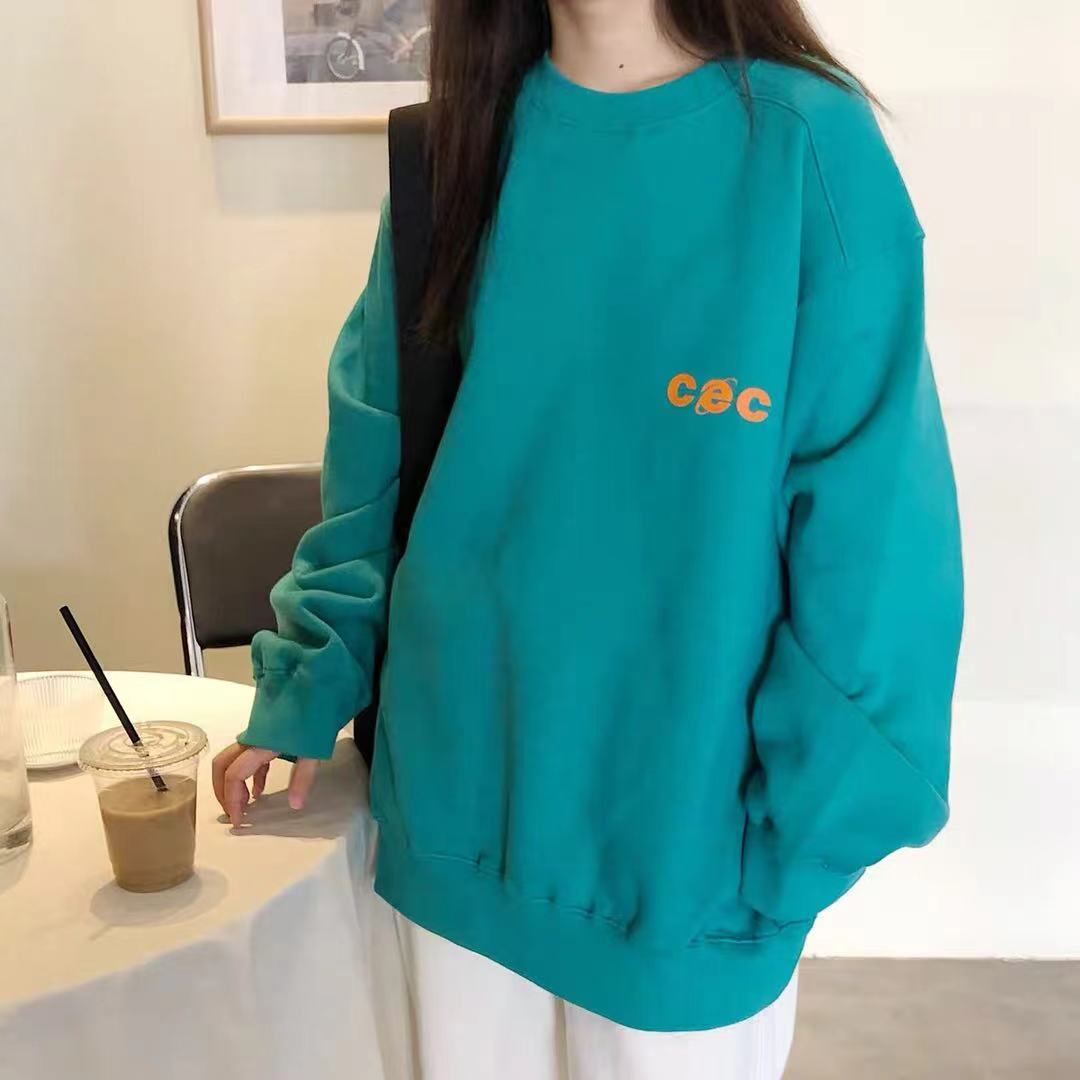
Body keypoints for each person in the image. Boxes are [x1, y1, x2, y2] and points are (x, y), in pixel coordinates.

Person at [212, 1, 964, 1076]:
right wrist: (306, 685)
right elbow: (376, 452)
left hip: (687, 870)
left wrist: (805, 840)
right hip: (451, 825)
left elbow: (877, 542)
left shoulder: (806, 145)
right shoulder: (453, 148)